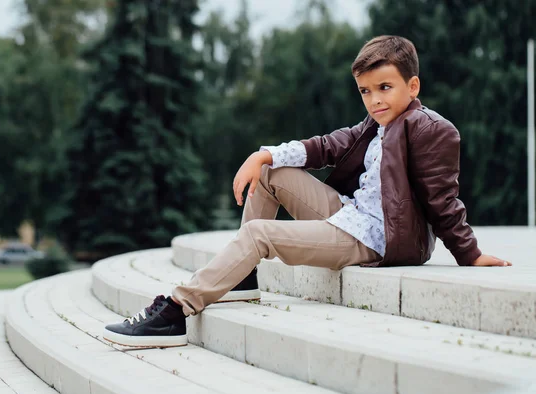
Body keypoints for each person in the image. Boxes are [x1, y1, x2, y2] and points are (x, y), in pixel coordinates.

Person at [102, 35, 512, 348]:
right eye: (365, 91)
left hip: (378, 239)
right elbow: (326, 145)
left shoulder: (433, 130)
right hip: (351, 215)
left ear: (413, 85)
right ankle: (242, 278)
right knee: (271, 172)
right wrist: (263, 155)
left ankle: (177, 309)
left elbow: (443, 200)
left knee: (258, 235)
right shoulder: (376, 125)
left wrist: (469, 254)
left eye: (384, 88)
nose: (374, 100)